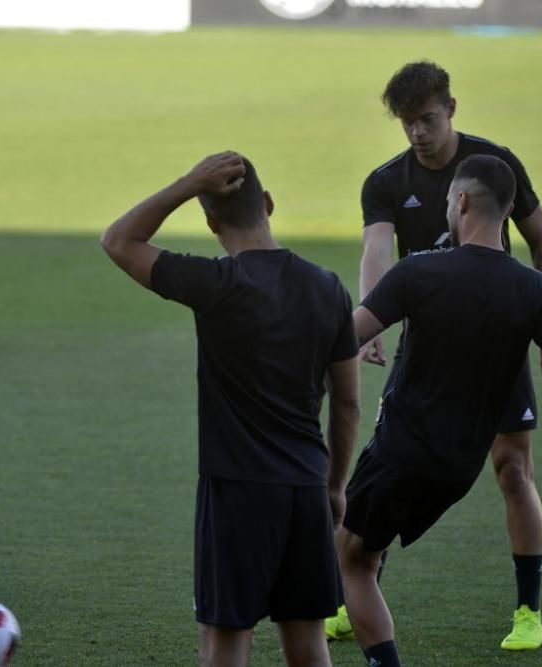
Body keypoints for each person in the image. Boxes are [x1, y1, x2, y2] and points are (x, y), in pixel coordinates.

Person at [336, 154, 542, 666]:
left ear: (462, 201)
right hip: (458, 470)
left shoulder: (418, 272)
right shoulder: (537, 292)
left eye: (450, 198)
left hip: (399, 454)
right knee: (364, 545)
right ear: (511, 209)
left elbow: (347, 339)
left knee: (350, 559)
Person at [328, 60, 542, 650]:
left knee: (512, 470)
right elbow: (377, 249)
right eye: (407, 123)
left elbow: (540, 243)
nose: (417, 133)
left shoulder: (493, 166)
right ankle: (352, 591)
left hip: (498, 341)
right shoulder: (386, 182)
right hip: (431, 344)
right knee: (394, 463)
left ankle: (528, 613)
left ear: (451, 109)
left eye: (427, 119)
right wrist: (371, 313)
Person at [101, 152, 361, 667]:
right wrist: (333, 485)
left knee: (224, 644)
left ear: (210, 221)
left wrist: (186, 184)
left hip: (237, 490)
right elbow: (349, 402)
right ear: (268, 203)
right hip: (306, 488)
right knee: (309, 644)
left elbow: (118, 241)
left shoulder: (215, 284)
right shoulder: (328, 287)